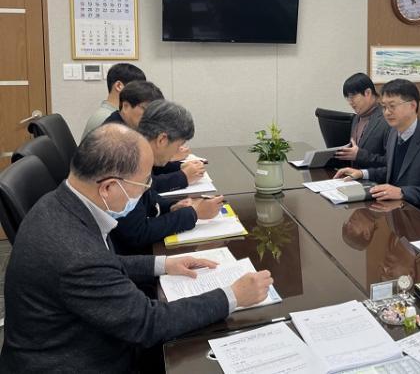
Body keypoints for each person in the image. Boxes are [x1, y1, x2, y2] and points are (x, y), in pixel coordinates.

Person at [0, 124, 273, 372]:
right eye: (144, 183)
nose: (146, 192)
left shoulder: (60, 203)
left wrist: (163, 264)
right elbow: (147, 324)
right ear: (108, 187)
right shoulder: (75, 254)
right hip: (73, 361)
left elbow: (106, 262)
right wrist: (233, 296)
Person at [111, 100, 221, 254]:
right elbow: (137, 234)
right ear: (162, 140)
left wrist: (171, 207)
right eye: (177, 145)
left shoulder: (136, 152)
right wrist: (193, 214)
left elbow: (148, 197)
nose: (177, 152)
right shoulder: (127, 163)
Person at [335, 79, 420, 220]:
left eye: (392, 106)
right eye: (384, 107)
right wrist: (362, 173)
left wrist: (402, 192)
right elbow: (393, 171)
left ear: (412, 106)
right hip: (398, 210)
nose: (387, 112)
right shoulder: (393, 133)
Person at [101, 83, 205, 192]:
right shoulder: (115, 139)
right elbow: (142, 186)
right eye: (146, 109)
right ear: (126, 106)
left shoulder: (131, 131)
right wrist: (182, 177)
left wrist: (178, 167)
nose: (151, 116)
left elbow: (149, 171)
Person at [335, 73, 389, 168]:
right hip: (353, 174)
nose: (350, 102)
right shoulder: (357, 117)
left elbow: (390, 162)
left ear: (368, 93)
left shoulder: (387, 119)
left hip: (374, 176)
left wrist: (359, 155)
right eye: (348, 98)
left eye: (352, 96)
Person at [81, 62, 146, 139]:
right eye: (138, 88)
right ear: (119, 86)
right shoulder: (107, 119)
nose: (141, 93)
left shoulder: (111, 114)